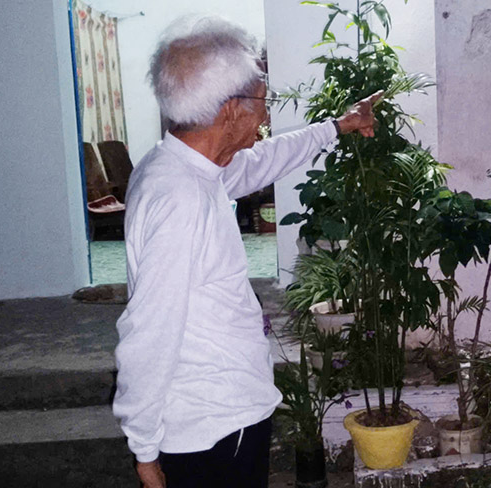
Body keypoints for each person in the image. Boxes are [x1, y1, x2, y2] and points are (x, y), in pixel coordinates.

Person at [112, 16, 380, 488]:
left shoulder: (185, 167)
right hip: (211, 428)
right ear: (230, 110)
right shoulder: (179, 197)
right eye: (263, 102)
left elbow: (263, 161)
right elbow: (150, 329)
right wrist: (145, 449)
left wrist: (337, 127)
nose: (266, 117)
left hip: (226, 414)